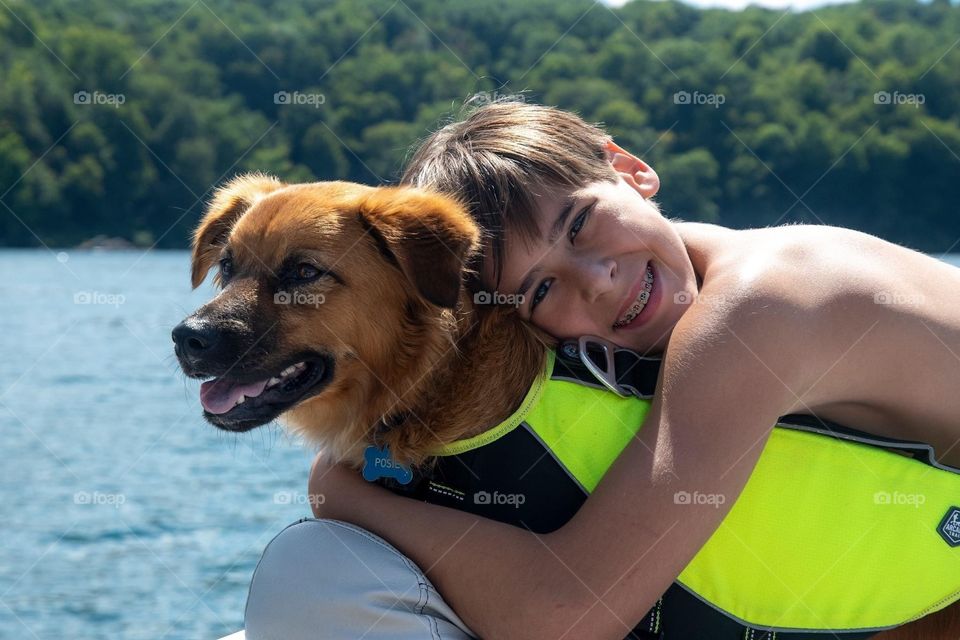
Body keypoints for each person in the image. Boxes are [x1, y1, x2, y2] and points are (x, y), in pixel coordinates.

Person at [297, 99, 960, 640]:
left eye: (581, 224)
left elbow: (567, 616)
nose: (598, 281)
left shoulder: (762, 307)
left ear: (629, 169)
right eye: (540, 290)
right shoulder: (703, 268)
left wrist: (346, 494)